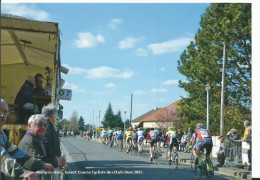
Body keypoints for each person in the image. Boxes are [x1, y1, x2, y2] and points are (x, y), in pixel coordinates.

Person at [1, 99, 54, 180]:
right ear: (29, 126)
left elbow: (16, 152)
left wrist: (42, 165)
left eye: (5, 112)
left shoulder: (2, 134)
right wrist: (24, 173)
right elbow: (2, 158)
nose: (2, 115)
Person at [42, 104, 66, 169]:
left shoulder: (48, 123)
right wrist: (55, 158)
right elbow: (47, 142)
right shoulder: (46, 124)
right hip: (50, 160)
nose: (56, 117)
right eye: (55, 114)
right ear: (52, 115)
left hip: (51, 159)